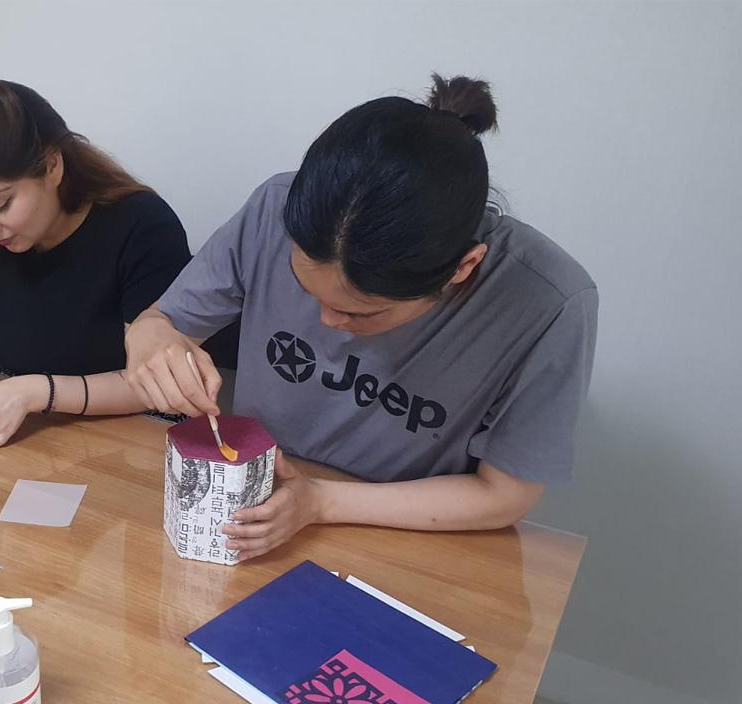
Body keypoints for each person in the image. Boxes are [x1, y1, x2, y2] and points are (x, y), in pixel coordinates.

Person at [125, 74, 597, 560]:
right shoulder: (274, 210)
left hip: (400, 538)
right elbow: (163, 322)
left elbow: (503, 495)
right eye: (307, 291)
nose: (326, 322)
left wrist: (322, 502)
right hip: (251, 509)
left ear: (463, 268)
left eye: (358, 311)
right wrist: (150, 337)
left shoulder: (548, 301)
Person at [0, 77, 191, 446]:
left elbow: (156, 383)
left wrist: (37, 392)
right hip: (21, 426)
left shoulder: (142, 226)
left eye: (1, 203)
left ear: (52, 166)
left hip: (132, 436)